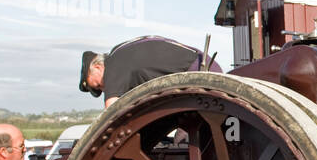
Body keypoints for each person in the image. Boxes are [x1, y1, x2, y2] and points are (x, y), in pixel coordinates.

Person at [80, 37, 219, 107]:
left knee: (184, 139)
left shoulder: (113, 65)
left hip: (199, 76)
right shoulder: (123, 54)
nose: (104, 89)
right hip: (204, 66)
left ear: (98, 67)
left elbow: (111, 108)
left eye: (98, 85)